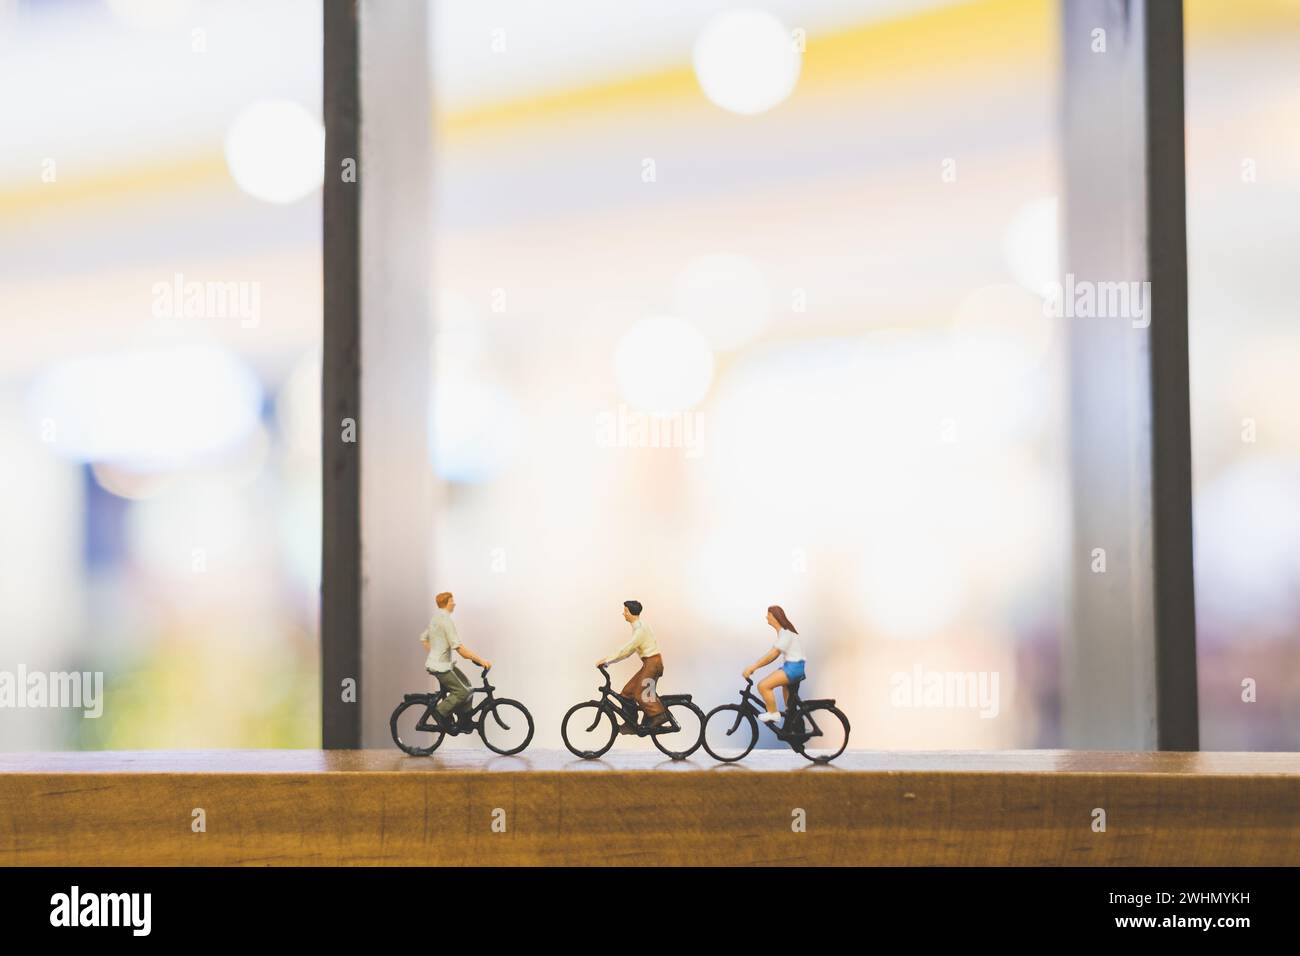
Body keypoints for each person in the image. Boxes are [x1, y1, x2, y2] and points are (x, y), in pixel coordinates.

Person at [418, 592, 491, 731]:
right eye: (452, 601)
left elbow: (424, 638)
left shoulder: (436, 618)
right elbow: (459, 648)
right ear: (446, 602)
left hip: (442, 664)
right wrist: (481, 660)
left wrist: (434, 653)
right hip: (440, 666)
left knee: (468, 687)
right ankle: (440, 712)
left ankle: (464, 720)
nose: (454, 603)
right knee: (462, 692)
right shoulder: (445, 620)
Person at [596, 600, 667, 734]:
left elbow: (627, 650)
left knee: (641, 694)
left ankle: (659, 715)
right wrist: (608, 661)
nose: (623, 614)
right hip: (649, 663)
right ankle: (631, 723)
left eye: (625, 611)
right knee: (626, 694)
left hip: (653, 664)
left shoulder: (640, 629)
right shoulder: (639, 626)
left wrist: (607, 660)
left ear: (630, 612)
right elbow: (628, 651)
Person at [742, 605, 805, 724]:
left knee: (763, 686)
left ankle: (773, 714)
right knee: (789, 707)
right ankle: (794, 727)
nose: (766, 617)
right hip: (792, 667)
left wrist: (753, 667)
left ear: (776, 617)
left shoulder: (786, 634)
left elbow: (773, 654)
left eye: (769, 615)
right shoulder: (785, 633)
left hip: (793, 668)